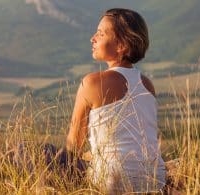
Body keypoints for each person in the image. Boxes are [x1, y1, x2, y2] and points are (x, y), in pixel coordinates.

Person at [66, 8, 166, 193]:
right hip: (155, 179)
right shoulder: (147, 84)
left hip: (111, 181)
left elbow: (73, 146)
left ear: (121, 46)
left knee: (27, 152)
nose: (92, 38)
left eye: (101, 33)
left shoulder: (91, 83)